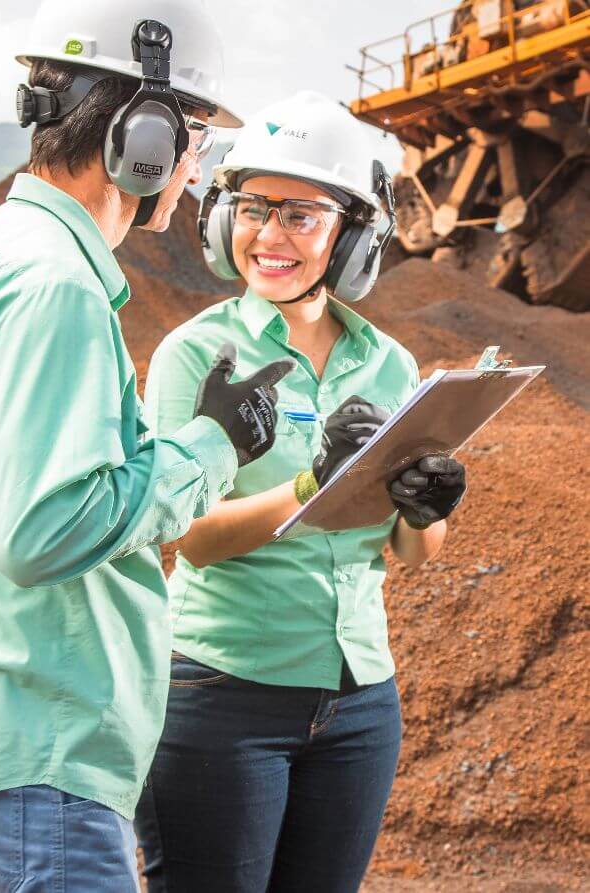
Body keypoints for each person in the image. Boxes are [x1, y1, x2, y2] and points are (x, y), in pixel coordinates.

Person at [0, 2, 294, 890]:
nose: (193, 168)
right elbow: (44, 531)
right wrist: (212, 443)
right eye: (197, 139)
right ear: (146, 135)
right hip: (37, 770)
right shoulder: (54, 283)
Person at [135, 91, 467, 893]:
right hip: (219, 695)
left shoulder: (388, 364)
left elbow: (406, 554)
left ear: (353, 235)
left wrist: (426, 510)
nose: (268, 235)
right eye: (251, 208)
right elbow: (190, 538)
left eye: (300, 216)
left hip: (359, 700)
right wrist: (312, 482)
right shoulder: (195, 354)